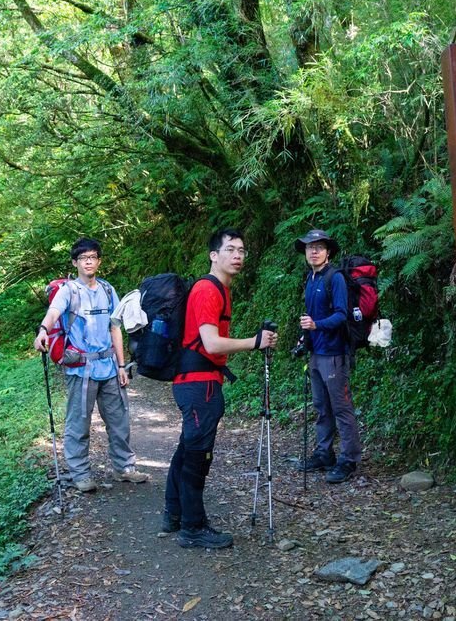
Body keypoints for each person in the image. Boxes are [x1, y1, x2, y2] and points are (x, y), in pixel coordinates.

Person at [163, 228, 279, 549]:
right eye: (230, 250)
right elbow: (212, 343)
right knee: (197, 455)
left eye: (241, 250)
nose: (237, 255)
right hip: (199, 385)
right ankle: (192, 527)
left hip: (199, 382)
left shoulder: (220, 290)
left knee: (188, 448)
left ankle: (174, 514)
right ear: (214, 255)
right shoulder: (208, 290)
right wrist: (255, 342)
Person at [34, 238, 149, 492]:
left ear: (99, 261)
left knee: (119, 421)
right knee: (79, 424)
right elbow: (53, 313)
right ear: (75, 262)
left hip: (108, 366)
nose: (89, 261)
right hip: (81, 369)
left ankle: (124, 468)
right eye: (83, 258)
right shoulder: (69, 291)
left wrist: (121, 366)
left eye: (93, 257)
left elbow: (115, 327)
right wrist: (43, 330)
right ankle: (80, 473)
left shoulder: (108, 290)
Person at [296, 229, 361, 483]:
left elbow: (341, 315)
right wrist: (306, 336)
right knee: (322, 407)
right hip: (316, 352)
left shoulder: (335, 278)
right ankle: (324, 453)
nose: (313, 251)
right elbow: (312, 316)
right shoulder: (311, 278)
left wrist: (316, 326)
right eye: (309, 247)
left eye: (319, 247)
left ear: (328, 252)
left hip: (334, 354)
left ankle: (349, 459)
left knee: (341, 408)